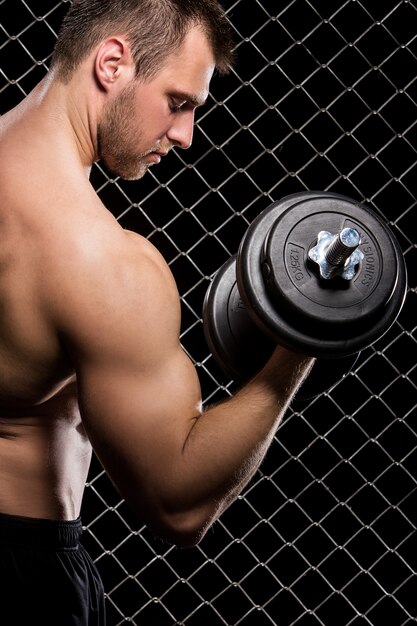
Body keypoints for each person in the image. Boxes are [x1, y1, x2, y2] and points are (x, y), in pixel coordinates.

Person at [0, 0, 314, 624]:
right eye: (179, 102)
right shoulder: (99, 263)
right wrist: (302, 339)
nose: (185, 135)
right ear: (112, 63)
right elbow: (177, 505)